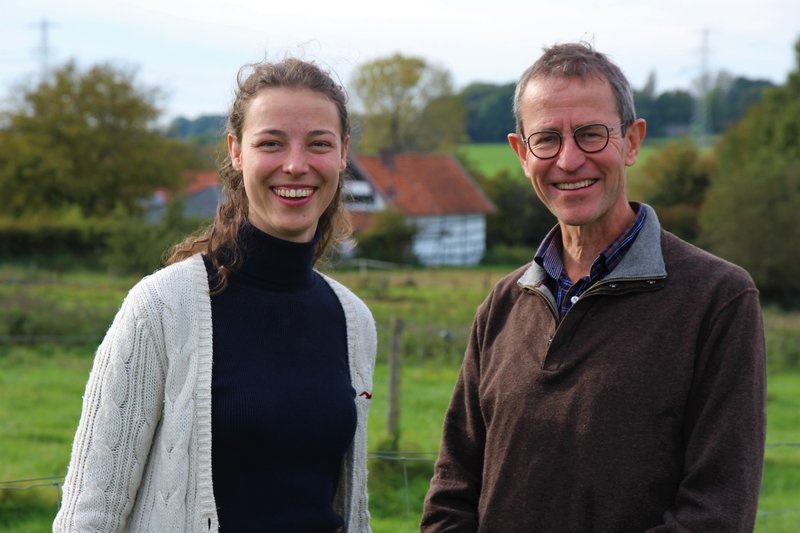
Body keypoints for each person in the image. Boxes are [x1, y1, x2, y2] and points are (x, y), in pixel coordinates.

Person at [421, 41, 766, 532]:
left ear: (631, 141)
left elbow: (716, 512)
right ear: (521, 153)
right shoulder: (502, 305)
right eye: (546, 139)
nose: (567, 159)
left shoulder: (718, 299)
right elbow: (452, 496)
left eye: (590, 135)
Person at [54, 57, 376, 532]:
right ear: (236, 151)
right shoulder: (161, 308)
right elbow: (91, 514)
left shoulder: (353, 320)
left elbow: (348, 507)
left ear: (343, 153)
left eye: (318, 144)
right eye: (271, 143)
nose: (295, 164)